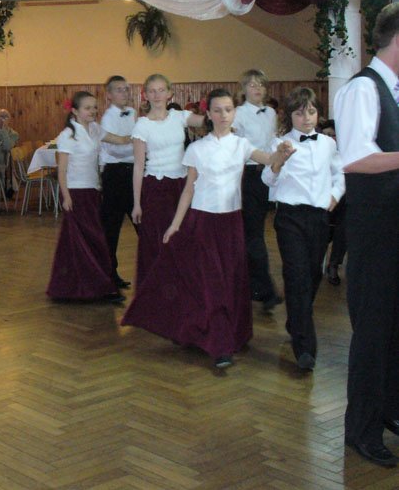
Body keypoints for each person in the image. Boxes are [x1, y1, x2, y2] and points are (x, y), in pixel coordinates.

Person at [122, 89, 294, 369]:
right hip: (202, 223)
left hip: (231, 223)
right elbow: (188, 190)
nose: (223, 115)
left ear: (234, 113)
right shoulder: (197, 149)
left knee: (230, 281)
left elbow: (269, 160)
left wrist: (281, 155)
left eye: (228, 109)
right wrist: (175, 225)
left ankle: (228, 333)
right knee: (212, 283)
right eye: (217, 110)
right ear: (209, 114)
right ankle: (220, 345)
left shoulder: (241, 144)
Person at [334, 2, 399, 467]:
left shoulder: (393, 89)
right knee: (374, 332)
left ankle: (390, 409)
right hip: (375, 233)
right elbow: (356, 158)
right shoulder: (363, 88)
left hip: (394, 228)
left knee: (395, 329)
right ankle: (361, 429)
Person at [261, 87, 344, 372]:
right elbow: (267, 180)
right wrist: (278, 161)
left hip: (319, 217)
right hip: (290, 217)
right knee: (296, 277)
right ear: (290, 116)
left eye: (311, 111)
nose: (306, 118)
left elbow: (340, 172)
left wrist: (334, 195)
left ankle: (296, 321)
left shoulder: (328, 144)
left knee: (312, 274)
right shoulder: (279, 143)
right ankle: (305, 347)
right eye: (299, 113)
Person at [47, 92, 124, 303]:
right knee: (90, 240)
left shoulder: (95, 129)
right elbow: (62, 170)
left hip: (92, 191)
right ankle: (97, 286)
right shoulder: (68, 135)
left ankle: (71, 285)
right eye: (87, 108)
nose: (93, 111)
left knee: (83, 240)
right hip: (76, 193)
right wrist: (66, 196)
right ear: (75, 111)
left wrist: (142, 133)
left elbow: (118, 139)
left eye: (94, 107)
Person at [131, 74, 205, 288]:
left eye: (161, 90)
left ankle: (182, 289)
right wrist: (137, 203)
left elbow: (208, 121)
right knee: (159, 240)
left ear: (169, 93)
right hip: (156, 187)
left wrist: (219, 109)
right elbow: (138, 166)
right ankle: (157, 291)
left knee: (183, 237)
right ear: (145, 95)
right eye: (152, 91)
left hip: (182, 186)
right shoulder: (142, 125)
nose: (157, 95)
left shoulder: (179, 116)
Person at [232, 69, 284, 313]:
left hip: (269, 173)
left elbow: (272, 141)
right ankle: (266, 290)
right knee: (254, 234)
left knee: (255, 233)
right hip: (249, 174)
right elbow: (237, 147)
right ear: (244, 89)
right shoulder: (238, 113)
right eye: (252, 85)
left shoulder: (271, 112)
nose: (257, 89)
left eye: (261, 85)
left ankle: (252, 285)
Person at [99, 76, 137, 289]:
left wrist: (134, 145)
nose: (124, 93)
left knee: (142, 223)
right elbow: (114, 150)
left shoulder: (132, 112)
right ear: (109, 95)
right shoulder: (107, 118)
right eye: (119, 90)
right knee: (111, 228)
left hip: (133, 173)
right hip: (115, 174)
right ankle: (109, 276)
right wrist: (137, 145)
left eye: (126, 89)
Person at [319, 119, 346, 286]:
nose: (329, 138)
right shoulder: (317, 151)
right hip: (319, 203)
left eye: (332, 135)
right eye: (325, 135)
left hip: (340, 204)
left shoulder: (345, 153)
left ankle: (334, 264)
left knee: (345, 226)